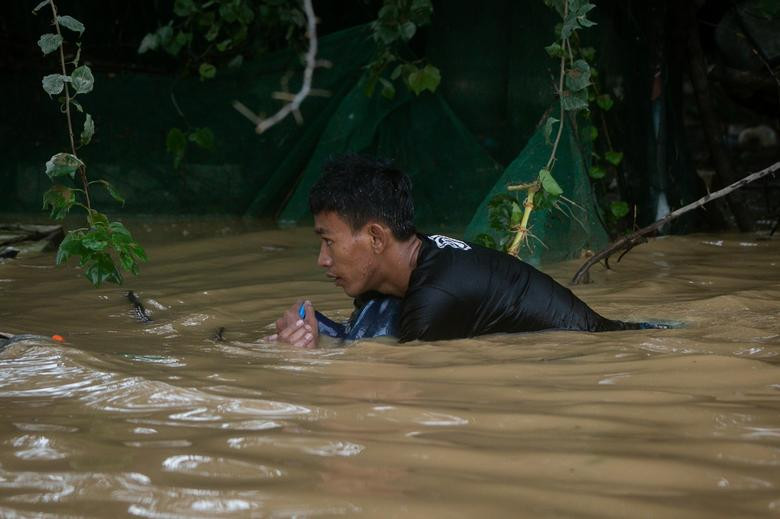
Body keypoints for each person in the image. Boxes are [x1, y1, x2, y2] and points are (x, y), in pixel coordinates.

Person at [269, 154, 640, 348]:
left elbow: (401, 375)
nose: (322, 258)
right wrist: (307, 332)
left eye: (329, 241)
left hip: (598, 348)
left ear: (377, 238)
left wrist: (311, 356)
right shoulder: (407, 272)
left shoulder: (437, 294)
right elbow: (365, 336)